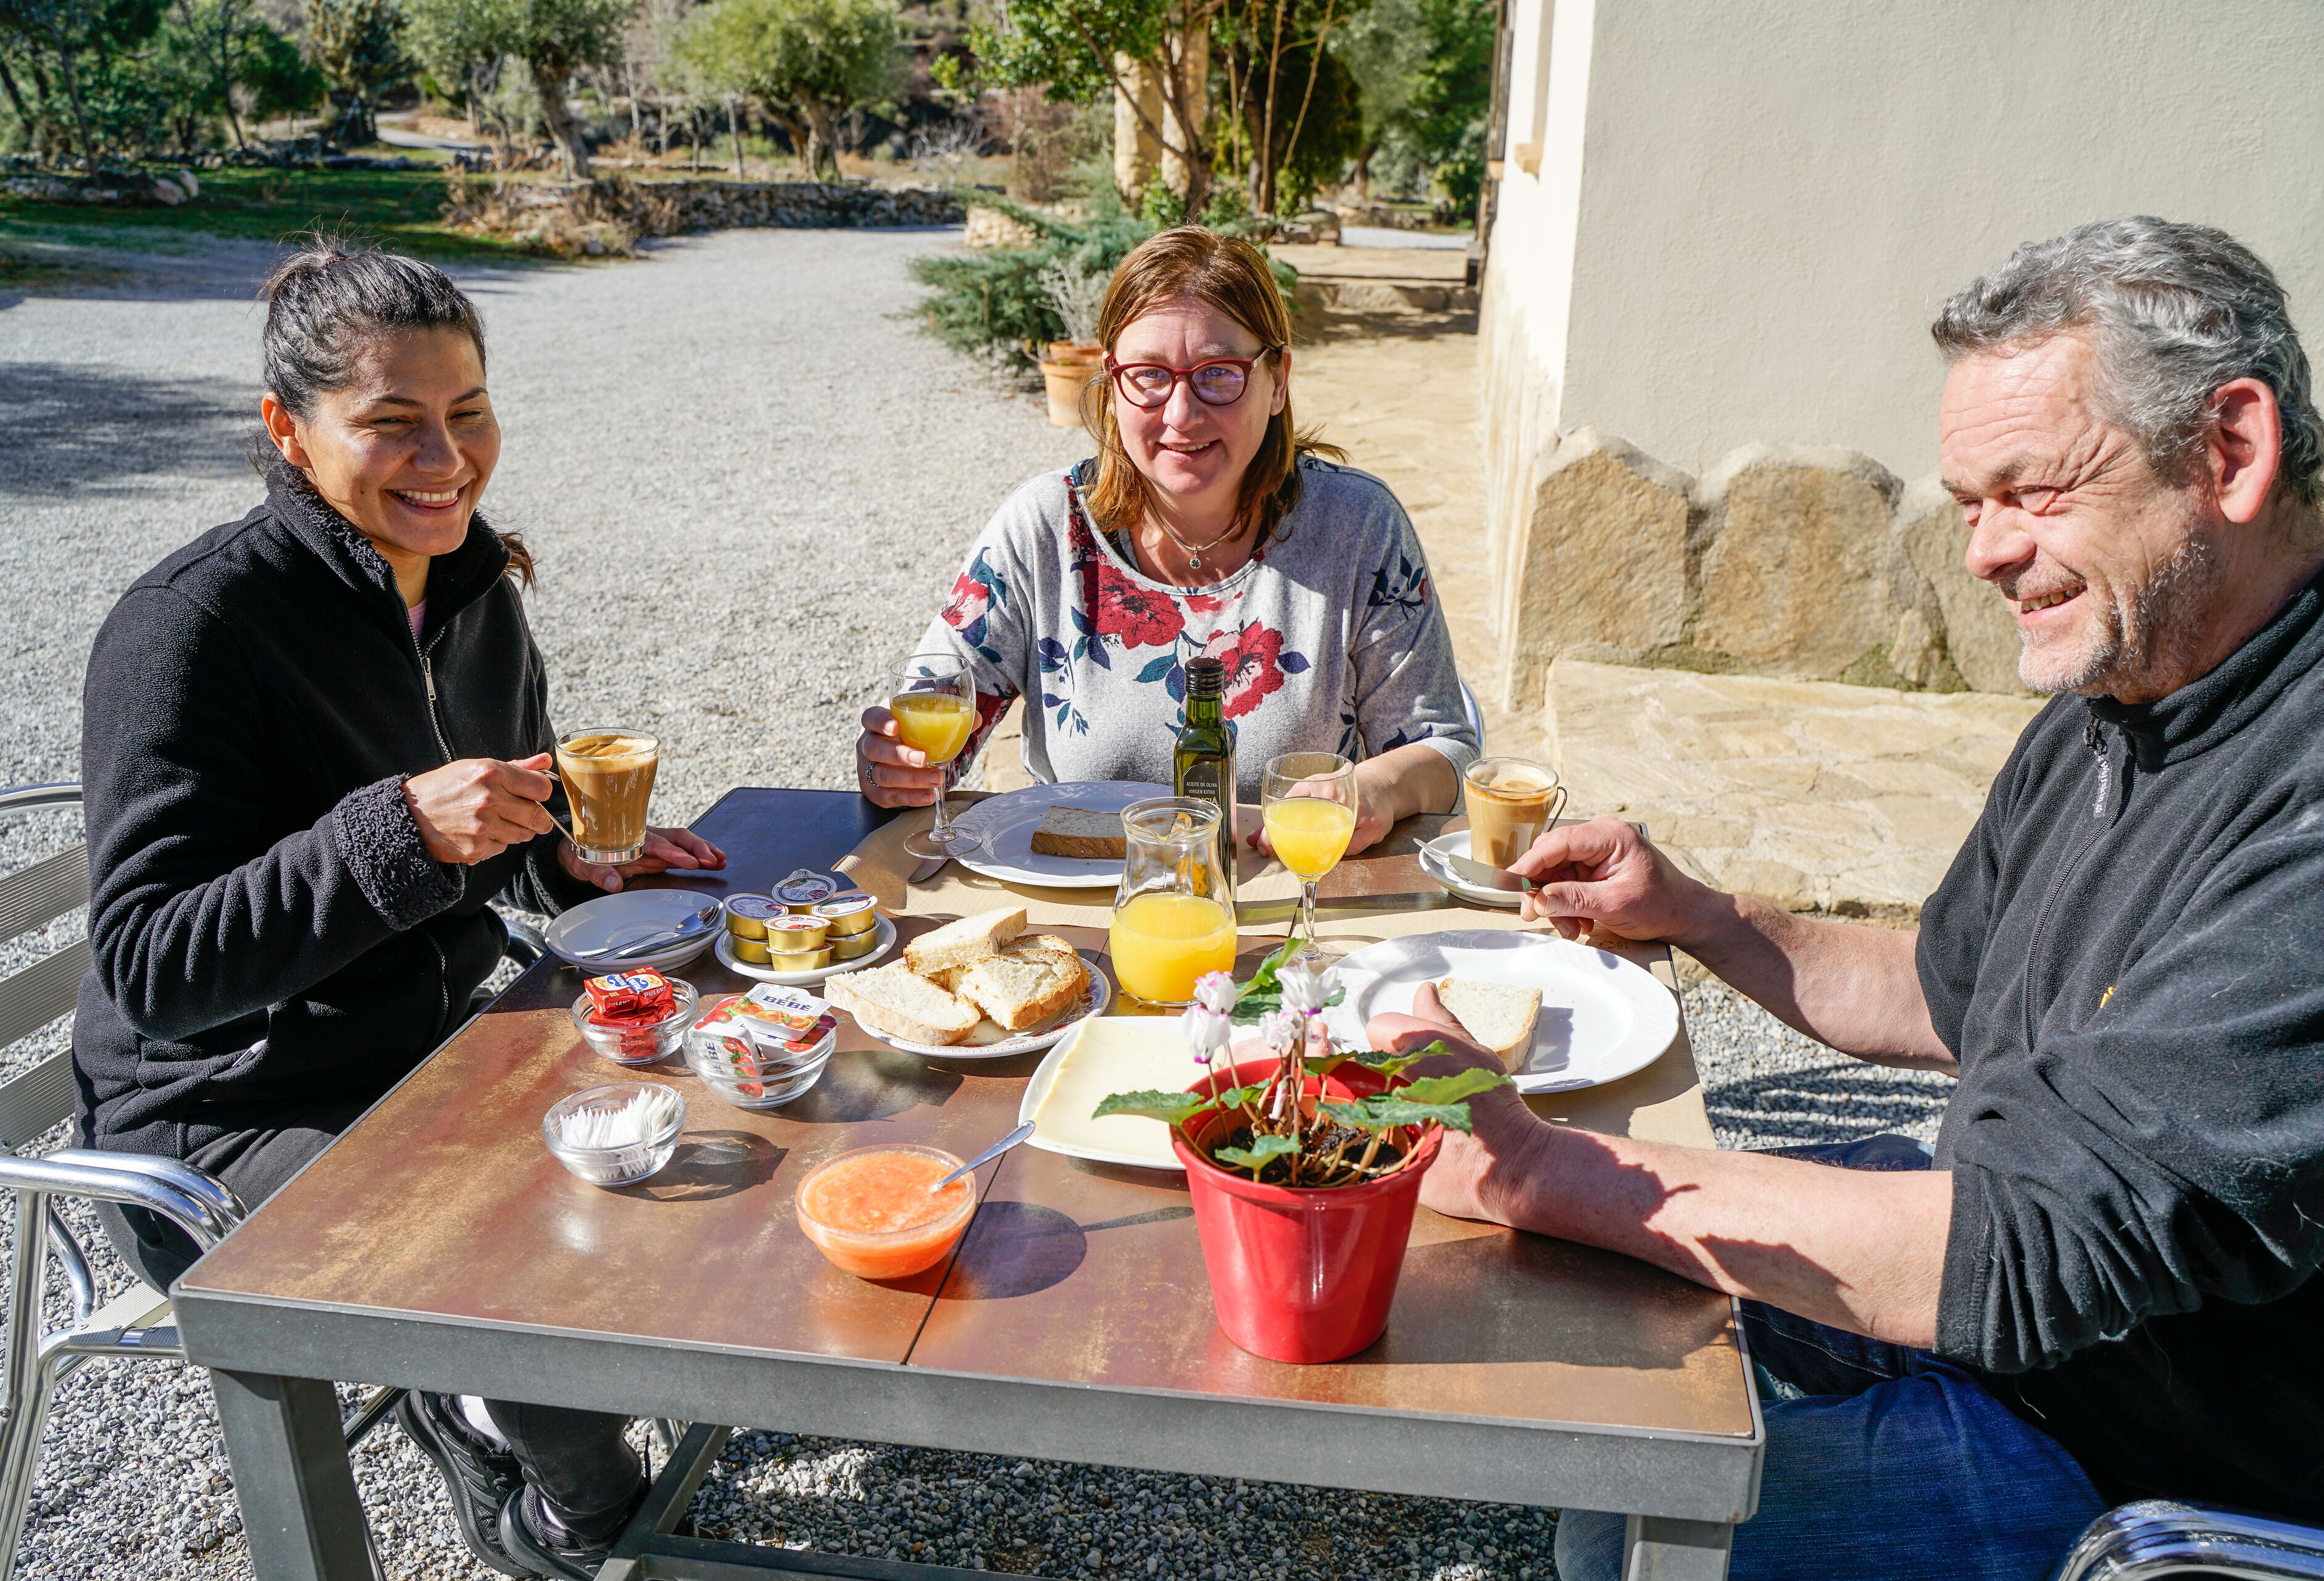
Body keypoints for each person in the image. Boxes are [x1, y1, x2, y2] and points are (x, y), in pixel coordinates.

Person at [1368, 216, 2324, 1580]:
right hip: (2022, 1290)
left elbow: (2034, 1255)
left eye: (2030, 491)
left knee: (1618, 1530)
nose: (1985, 552)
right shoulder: (2130, 681)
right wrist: (1704, 916)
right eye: (1969, 503)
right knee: (1594, 1310)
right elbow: (1955, 990)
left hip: (2154, 1445)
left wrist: (1538, 1163)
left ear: (2231, 451)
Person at [73, 240, 727, 1581]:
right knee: (533, 1245)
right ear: (287, 430)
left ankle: (508, 1404)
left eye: (467, 411)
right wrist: (395, 833)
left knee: (711, 1099)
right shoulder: (192, 626)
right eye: (393, 422)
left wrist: (577, 861)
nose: (446, 457)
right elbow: (151, 965)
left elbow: (499, 844)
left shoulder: (474, 587)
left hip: (422, 1058)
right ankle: (578, 1520)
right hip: (226, 1112)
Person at [856, 225, 1476, 854]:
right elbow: (933, 720)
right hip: (1076, 898)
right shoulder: (1044, 528)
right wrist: (895, 765)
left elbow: (1445, 748)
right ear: (1111, 383)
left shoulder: (1358, 527)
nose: (1181, 413)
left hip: (1290, 896)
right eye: (1149, 375)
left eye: (1219, 374)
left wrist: (1378, 787)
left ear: (1278, 380)